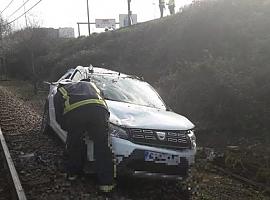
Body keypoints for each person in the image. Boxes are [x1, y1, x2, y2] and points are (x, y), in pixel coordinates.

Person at [54, 81, 115, 194]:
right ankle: (106, 184)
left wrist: (71, 130)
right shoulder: (92, 85)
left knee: (74, 144)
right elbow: (104, 104)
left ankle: (73, 173)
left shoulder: (60, 91)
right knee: (102, 146)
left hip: (76, 113)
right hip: (99, 112)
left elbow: (59, 117)